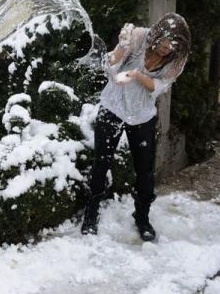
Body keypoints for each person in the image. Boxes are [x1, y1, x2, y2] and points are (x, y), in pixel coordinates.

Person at [81, 13, 191, 241]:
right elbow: (110, 64)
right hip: (113, 106)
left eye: (171, 47)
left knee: (145, 172)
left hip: (141, 115)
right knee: (101, 163)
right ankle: (91, 215)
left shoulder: (177, 60)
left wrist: (136, 74)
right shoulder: (140, 36)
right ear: (157, 35)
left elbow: (156, 88)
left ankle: (142, 217)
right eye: (163, 44)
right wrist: (122, 46)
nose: (165, 50)